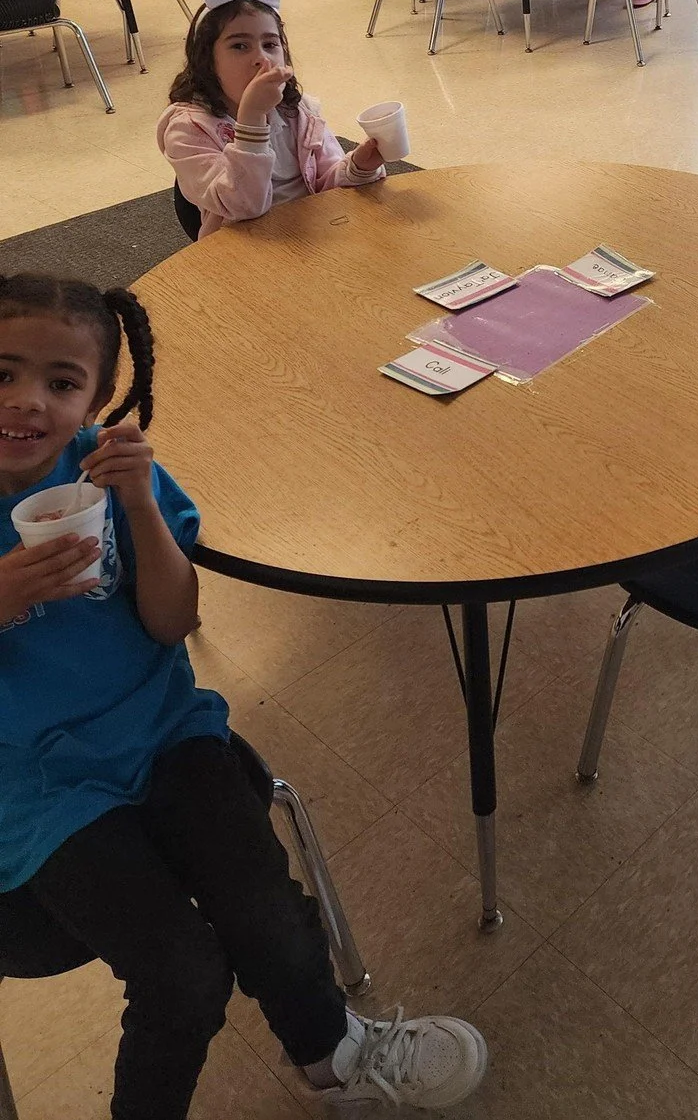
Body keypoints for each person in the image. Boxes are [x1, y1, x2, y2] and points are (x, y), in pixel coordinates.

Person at [0, 272, 489, 1116]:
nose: (26, 402)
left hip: (162, 731)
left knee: (263, 907)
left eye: (61, 382)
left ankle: (336, 1056)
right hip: (34, 784)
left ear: (99, 397)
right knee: (183, 970)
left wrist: (140, 507)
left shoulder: (111, 475)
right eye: (1, 372)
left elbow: (172, 621)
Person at [158, 0, 384, 238]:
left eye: (270, 45)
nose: (261, 59)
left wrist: (358, 168)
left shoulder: (297, 111)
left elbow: (327, 184)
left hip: (313, 235)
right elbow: (243, 207)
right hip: (245, 253)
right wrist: (252, 118)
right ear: (206, 61)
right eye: (239, 46)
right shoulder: (189, 129)